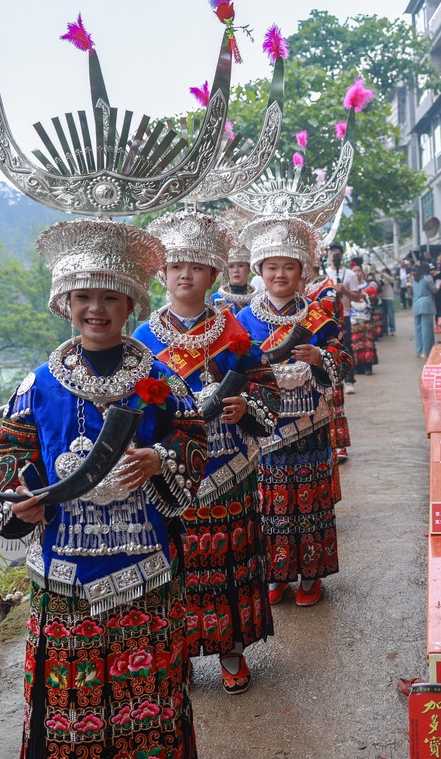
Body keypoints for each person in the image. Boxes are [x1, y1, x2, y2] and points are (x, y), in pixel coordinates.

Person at [0, 219, 206, 757]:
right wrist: (23, 506)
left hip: (144, 566)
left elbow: (195, 447)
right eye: (84, 296)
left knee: (149, 698)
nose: (97, 309)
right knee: (67, 706)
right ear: (65, 302)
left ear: (131, 302)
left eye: (110, 296)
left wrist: (162, 460)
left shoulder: (163, 380)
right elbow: (7, 470)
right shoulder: (35, 386)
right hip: (63, 573)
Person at [133, 210, 281, 695]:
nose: (184, 275)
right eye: (175, 266)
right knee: (177, 567)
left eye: (195, 267)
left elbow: (266, 388)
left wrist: (247, 405)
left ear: (213, 275)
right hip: (169, 472)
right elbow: (130, 409)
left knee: (230, 560)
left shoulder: (234, 332)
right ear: (161, 274)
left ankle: (231, 649)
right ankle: (179, 656)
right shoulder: (142, 342)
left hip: (228, 465)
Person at [237, 216, 353, 608]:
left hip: (311, 426)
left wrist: (320, 356)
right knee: (271, 505)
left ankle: (311, 575)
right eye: (272, 267)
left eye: (289, 266)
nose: (280, 274)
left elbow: (343, 356)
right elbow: (233, 368)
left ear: (302, 272)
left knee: (312, 502)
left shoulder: (319, 314)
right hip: (265, 429)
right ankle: (277, 576)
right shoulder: (242, 319)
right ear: (260, 272)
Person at [307, 265, 352, 465]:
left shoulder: (327, 289)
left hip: (321, 344)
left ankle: (338, 442)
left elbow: (329, 318)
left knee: (331, 395)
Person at [326, 242, 362, 394]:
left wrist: (344, 290)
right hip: (328, 317)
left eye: (337, 252)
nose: (334, 255)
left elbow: (357, 297)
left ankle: (349, 380)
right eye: (331, 252)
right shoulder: (325, 273)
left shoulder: (350, 274)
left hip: (345, 315)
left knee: (346, 347)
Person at [350, 264, 379, 375]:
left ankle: (368, 366)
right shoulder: (347, 288)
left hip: (366, 319)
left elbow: (375, 303)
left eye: (359, 271)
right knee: (355, 343)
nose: (357, 273)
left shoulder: (370, 288)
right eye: (354, 271)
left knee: (367, 343)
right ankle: (357, 367)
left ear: (362, 273)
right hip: (353, 320)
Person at [212, 241, 255, 314]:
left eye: (241, 266)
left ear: (249, 269)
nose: (236, 270)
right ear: (227, 270)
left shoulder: (257, 300)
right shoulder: (215, 299)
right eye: (231, 266)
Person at [412, 262, 440, 358]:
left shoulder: (415, 279)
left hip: (416, 303)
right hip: (426, 304)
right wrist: (438, 284)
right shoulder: (427, 278)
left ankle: (419, 350)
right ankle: (426, 351)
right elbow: (435, 290)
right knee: (426, 329)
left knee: (418, 329)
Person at [376, 265, 397, 336]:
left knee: (391, 315)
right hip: (382, 298)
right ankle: (385, 330)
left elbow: (392, 279)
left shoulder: (389, 278)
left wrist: (384, 274)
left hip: (389, 298)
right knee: (384, 315)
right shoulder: (381, 279)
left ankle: (392, 329)